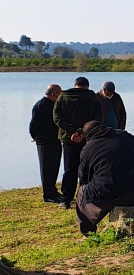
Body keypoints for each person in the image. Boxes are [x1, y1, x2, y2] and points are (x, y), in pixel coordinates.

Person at [75, 121, 134, 235]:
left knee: (82, 192)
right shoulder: (124, 136)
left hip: (107, 193)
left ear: (87, 136)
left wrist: (90, 187)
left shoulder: (88, 148)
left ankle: (88, 231)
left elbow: (83, 177)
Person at [53, 77, 102, 209]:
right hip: (87, 139)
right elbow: (98, 118)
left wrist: (71, 131)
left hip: (69, 139)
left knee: (69, 169)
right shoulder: (93, 98)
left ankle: (66, 199)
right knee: (87, 168)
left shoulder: (63, 97)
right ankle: (85, 197)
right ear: (87, 86)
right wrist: (82, 132)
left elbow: (56, 117)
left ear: (75, 85)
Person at [29, 84, 64, 203]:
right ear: (53, 94)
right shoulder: (40, 105)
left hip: (55, 140)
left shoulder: (54, 104)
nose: (61, 96)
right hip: (44, 142)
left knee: (54, 167)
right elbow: (33, 125)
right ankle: (48, 195)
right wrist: (35, 137)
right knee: (46, 168)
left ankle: (53, 191)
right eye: (60, 93)